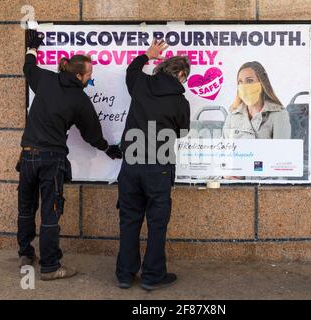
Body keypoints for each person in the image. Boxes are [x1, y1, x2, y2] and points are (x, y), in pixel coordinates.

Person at [17, 29, 122, 281]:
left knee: (26, 208)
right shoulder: (79, 99)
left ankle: (25, 253)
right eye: (89, 75)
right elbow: (92, 135)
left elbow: (28, 67)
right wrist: (109, 149)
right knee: (51, 212)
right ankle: (51, 267)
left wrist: (32, 48)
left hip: (27, 156)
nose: (90, 78)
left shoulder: (46, 79)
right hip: (51, 160)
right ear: (78, 75)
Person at [116, 39, 190, 291]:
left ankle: (125, 275)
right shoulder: (181, 102)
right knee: (157, 224)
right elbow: (182, 133)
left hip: (131, 164)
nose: (184, 82)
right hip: (159, 166)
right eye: (185, 77)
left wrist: (149, 54)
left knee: (129, 220)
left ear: (161, 68)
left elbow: (131, 70)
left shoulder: (141, 84)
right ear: (180, 74)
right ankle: (152, 277)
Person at [223, 61, 291, 181]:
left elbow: (281, 162)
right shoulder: (232, 116)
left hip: (265, 186)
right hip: (233, 186)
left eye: (249, 80)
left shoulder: (278, 115)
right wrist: (225, 173)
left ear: (262, 83)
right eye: (240, 82)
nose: (244, 86)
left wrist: (246, 175)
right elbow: (222, 154)